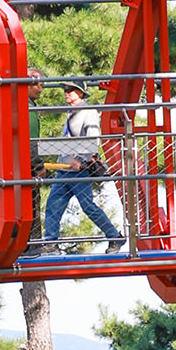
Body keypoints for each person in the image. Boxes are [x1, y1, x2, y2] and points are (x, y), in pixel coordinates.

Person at [42, 82, 126, 252]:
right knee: (53, 205)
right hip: (64, 168)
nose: (66, 93)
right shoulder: (72, 111)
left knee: (88, 206)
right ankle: (51, 242)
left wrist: (81, 159)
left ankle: (114, 236)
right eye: (65, 90)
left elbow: (93, 138)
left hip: (78, 171)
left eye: (70, 90)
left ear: (80, 92)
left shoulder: (88, 111)